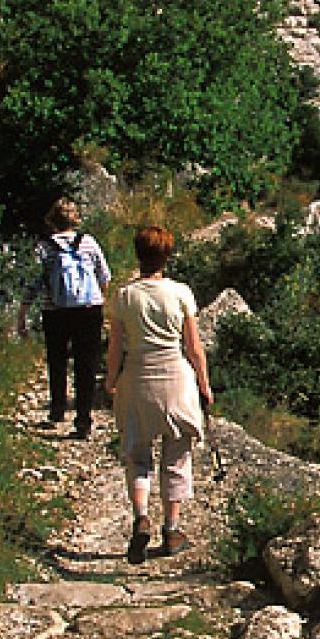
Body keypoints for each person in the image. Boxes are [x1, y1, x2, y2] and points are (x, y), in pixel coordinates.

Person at [103, 224, 212, 565]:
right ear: (167, 255)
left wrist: (110, 379)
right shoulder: (180, 293)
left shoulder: (124, 296)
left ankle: (140, 518)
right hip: (175, 378)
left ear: (138, 254)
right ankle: (172, 528)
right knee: (176, 455)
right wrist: (204, 383)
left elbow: (115, 346)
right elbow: (193, 347)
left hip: (137, 377)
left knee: (137, 453)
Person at [23, 198, 111, 437]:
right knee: (86, 364)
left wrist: (23, 312)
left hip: (55, 310)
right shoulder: (89, 243)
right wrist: (97, 299)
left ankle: (57, 409)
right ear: (75, 219)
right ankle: (83, 419)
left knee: (57, 359)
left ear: (52, 220)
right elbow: (105, 276)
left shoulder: (44, 247)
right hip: (89, 310)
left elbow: (33, 283)